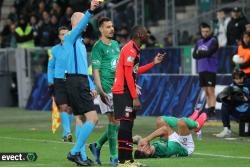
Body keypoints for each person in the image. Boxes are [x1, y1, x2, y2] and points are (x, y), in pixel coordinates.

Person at [112, 25, 165, 167]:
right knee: (125, 124)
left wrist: (153, 63)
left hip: (125, 90)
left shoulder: (135, 49)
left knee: (128, 125)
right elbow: (129, 75)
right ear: (140, 34)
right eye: (146, 33)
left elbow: (135, 70)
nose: (148, 35)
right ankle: (123, 161)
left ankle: (128, 160)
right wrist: (134, 96)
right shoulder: (130, 49)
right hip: (123, 90)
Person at [64, 0, 100, 166]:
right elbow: (79, 27)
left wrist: (91, 86)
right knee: (93, 118)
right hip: (76, 83)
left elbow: (83, 70)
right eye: (82, 22)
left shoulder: (78, 43)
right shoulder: (70, 37)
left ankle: (82, 157)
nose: (85, 26)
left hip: (79, 81)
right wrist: (90, 11)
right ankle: (74, 152)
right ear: (75, 23)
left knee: (80, 119)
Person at [89, 17, 120, 165]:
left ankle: (97, 145)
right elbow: (95, 71)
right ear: (101, 29)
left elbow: (119, 67)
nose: (111, 29)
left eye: (112, 26)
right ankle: (114, 156)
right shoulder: (97, 47)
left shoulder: (116, 45)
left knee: (117, 122)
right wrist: (100, 91)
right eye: (108, 27)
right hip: (105, 89)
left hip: (117, 88)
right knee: (113, 120)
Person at [133, 112, 207, 159]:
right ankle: (196, 125)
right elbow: (164, 129)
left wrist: (138, 141)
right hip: (184, 146)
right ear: (148, 152)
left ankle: (189, 122)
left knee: (160, 120)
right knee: (181, 122)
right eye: (142, 147)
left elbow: (140, 144)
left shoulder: (150, 150)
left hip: (171, 142)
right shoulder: (162, 150)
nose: (142, 146)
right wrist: (147, 139)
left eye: (140, 146)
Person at [47, 26, 74, 142]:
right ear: (59, 36)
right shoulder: (54, 50)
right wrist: (50, 81)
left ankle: (65, 133)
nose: (64, 36)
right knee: (63, 107)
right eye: (62, 34)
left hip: (72, 79)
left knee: (70, 109)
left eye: (66, 34)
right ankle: (68, 132)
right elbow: (50, 66)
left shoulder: (74, 48)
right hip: (59, 80)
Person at [193, 22, 219, 117]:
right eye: (203, 31)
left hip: (210, 69)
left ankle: (213, 109)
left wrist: (200, 52)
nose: (205, 33)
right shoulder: (199, 42)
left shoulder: (213, 41)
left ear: (210, 31)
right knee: (206, 91)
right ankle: (209, 109)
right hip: (201, 69)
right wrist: (202, 53)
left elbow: (209, 53)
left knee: (211, 90)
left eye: (207, 31)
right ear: (201, 31)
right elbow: (194, 55)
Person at [216, 69, 250, 137]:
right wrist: (227, 98)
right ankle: (227, 129)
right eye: (236, 79)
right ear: (234, 79)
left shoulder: (248, 86)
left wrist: (247, 99)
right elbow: (218, 98)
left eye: (240, 78)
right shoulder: (231, 87)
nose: (239, 80)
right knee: (225, 104)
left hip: (247, 112)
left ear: (244, 77)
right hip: (237, 112)